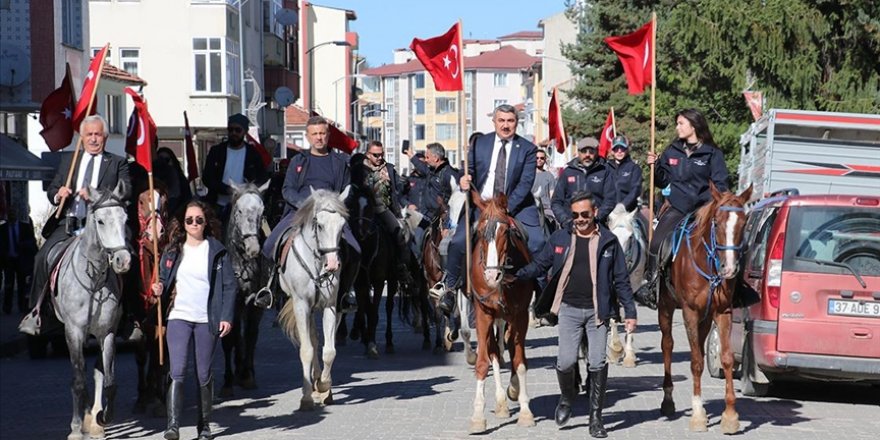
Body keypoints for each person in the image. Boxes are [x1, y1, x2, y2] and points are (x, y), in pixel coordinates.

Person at [514, 191, 637, 438]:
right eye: (575, 215)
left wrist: (630, 313)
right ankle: (567, 398)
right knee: (566, 361)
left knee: (597, 362)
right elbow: (540, 265)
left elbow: (622, 280)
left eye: (584, 214)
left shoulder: (609, 241)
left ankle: (596, 419)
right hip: (568, 310)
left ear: (594, 213)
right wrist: (515, 275)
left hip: (597, 312)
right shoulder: (561, 238)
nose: (579, 219)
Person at [21, 115, 131, 335]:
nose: (93, 139)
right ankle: (38, 313)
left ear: (105, 137)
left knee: (128, 260)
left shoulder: (117, 162)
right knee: (41, 258)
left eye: (97, 134)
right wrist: (58, 194)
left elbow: (125, 189)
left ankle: (129, 316)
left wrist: (96, 196)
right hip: (69, 223)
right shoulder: (69, 161)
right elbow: (53, 189)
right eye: (88, 135)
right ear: (81, 138)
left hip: (103, 229)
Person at [432, 104, 546, 314]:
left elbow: (525, 182)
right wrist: (463, 180)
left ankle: (542, 295)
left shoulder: (528, 149)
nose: (505, 125)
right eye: (501, 120)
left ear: (516, 123)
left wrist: (505, 208)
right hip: (480, 204)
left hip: (516, 205)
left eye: (510, 121)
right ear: (494, 121)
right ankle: (448, 288)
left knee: (539, 242)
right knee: (458, 242)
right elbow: (468, 171)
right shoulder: (479, 143)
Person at [151, 200, 235, 440]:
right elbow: (164, 281)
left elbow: (229, 286)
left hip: (206, 318)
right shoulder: (172, 250)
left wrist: (226, 317)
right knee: (177, 370)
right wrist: (158, 288)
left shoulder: (217, 251)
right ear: (183, 223)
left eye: (199, 219)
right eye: (190, 220)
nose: (194, 224)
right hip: (179, 316)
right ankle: (173, 425)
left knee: (203, 372)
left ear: (206, 221)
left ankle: (204, 426)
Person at [258, 116, 359, 311]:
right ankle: (270, 288)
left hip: (330, 215)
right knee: (269, 245)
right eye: (315, 134)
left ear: (328, 135)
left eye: (322, 133)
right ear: (308, 136)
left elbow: (348, 188)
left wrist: (336, 205)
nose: (319, 138)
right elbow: (287, 190)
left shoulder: (339, 162)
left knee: (356, 250)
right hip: (299, 212)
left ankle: (345, 293)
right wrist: (305, 205)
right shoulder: (298, 160)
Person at [635, 108, 730, 308]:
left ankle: (731, 286)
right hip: (678, 208)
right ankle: (651, 286)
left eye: (681, 124)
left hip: (704, 210)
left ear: (693, 126)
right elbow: (662, 181)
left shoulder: (713, 153)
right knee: (657, 242)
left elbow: (721, 184)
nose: (677, 127)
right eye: (677, 123)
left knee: (728, 240)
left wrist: (715, 205)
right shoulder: (672, 151)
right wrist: (656, 166)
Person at [357, 140, 411, 282]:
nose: (379, 158)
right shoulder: (360, 168)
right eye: (376, 155)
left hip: (383, 209)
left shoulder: (389, 168)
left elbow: (398, 187)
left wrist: (403, 183)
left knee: (398, 232)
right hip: (364, 210)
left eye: (381, 154)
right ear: (368, 154)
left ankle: (401, 267)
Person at [201, 113, 269, 220]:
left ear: (245, 132)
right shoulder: (217, 151)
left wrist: (247, 191)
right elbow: (207, 178)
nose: (233, 133)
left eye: (238, 130)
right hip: (218, 204)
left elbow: (262, 178)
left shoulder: (253, 154)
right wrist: (227, 189)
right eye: (230, 129)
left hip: (245, 206)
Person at [552, 138, 616, 228]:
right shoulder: (568, 172)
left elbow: (610, 200)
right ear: (578, 152)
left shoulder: (605, 171)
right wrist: (565, 220)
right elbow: (556, 201)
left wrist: (598, 216)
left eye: (591, 152)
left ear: (597, 152)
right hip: (571, 225)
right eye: (584, 151)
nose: (587, 155)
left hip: (597, 224)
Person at [0, 208, 37, 315]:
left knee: (22, 285)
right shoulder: (2, 229)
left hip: (21, 260)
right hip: (8, 261)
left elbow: (32, 241)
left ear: (16, 214)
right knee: (8, 284)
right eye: (10, 213)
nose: (12, 215)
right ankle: (7, 307)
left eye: (13, 213)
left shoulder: (24, 227)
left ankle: (22, 306)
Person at [607, 135, 643, 213]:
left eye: (622, 148)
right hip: (608, 211)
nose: (619, 151)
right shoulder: (606, 167)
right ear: (612, 151)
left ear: (627, 150)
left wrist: (623, 205)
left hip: (628, 212)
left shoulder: (634, 168)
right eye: (616, 148)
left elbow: (636, 189)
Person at [153, 147, 193, 217]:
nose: (164, 163)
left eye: (166, 160)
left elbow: (187, 200)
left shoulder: (181, 180)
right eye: (160, 159)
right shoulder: (153, 179)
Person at [532, 147, 556, 223]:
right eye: (537, 158)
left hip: (546, 209)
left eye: (542, 158)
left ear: (545, 160)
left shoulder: (549, 176)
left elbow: (552, 195)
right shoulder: (528, 175)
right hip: (531, 208)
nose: (539, 160)